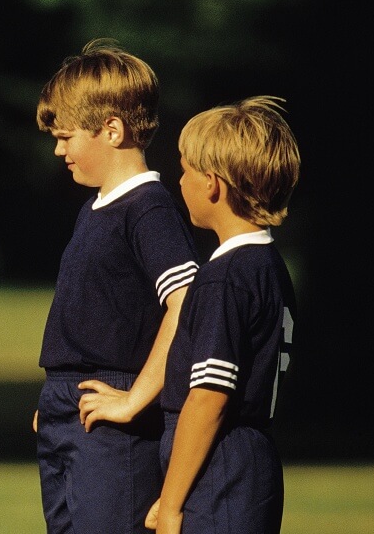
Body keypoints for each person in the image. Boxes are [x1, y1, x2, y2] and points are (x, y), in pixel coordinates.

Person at [33, 38, 200, 533]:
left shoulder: (148, 209)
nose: (59, 150)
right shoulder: (94, 208)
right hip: (68, 409)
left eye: (67, 136)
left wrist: (133, 399)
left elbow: (186, 302)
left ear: (112, 129)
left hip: (113, 418)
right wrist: (54, 401)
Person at [145, 96, 300, 533]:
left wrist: (172, 503)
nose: (180, 181)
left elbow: (209, 397)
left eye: (184, 170)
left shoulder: (224, 279)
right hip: (250, 468)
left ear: (212, 184)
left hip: (221, 474)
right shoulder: (268, 267)